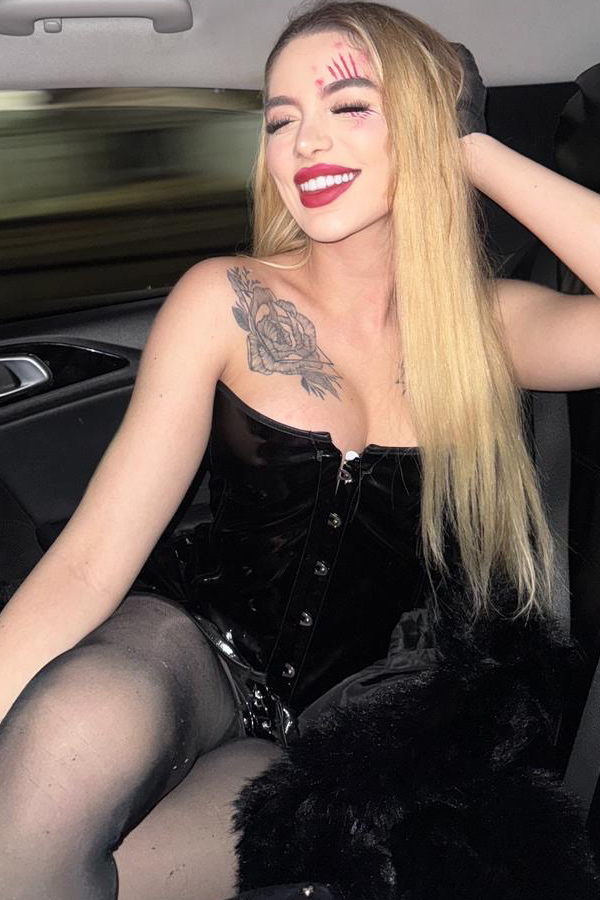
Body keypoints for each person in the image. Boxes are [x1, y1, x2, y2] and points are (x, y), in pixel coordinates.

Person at [1, 2, 600, 898]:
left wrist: (469, 149)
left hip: (344, 729)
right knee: (58, 756)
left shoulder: (492, 328)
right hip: (192, 648)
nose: (304, 143)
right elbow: (91, 562)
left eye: (349, 106)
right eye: (281, 120)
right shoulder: (226, 299)